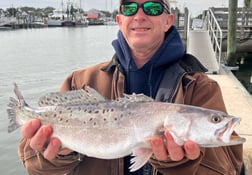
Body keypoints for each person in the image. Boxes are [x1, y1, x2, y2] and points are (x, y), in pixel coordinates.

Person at [18, 0, 243, 174]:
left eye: (153, 7)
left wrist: (179, 165)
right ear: (119, 20)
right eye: (129, 7)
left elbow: (230, 166)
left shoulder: (200, 87)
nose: (140, 15)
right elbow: (34, 167)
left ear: (168, 21)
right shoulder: (80, 81)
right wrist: (59, 155)